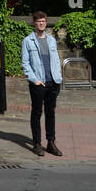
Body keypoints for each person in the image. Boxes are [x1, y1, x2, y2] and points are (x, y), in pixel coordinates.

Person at [21, 10, 63, 157]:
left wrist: (58, 78)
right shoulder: (28, 41)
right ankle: (37, 144)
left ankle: (51, 143)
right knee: (37, 113)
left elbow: (56, 60)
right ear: (34, 23)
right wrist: (34, 79)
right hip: (38, 83)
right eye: (39, 21)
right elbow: (25, 63)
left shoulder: (51, 40)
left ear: (46, 22)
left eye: (43, 21)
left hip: (52, 82)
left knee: (50, 113)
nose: (41, 24)